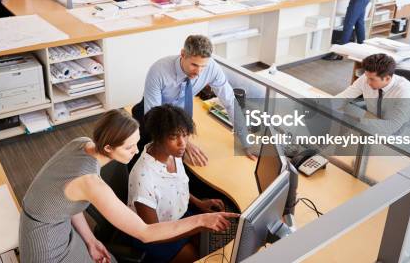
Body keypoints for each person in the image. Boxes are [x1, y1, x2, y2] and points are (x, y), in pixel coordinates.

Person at [19, 110, 236, 263]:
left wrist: (91, 240)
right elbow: (145, 233)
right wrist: (201, 219)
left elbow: (68, 203)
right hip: (44, 245)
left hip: (55, 223)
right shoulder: (91, 183)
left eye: (137, 142)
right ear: (108, 147)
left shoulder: (82, 142)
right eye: (129, 147)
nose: (135, 152)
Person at [134, 35, 255, 165]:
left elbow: (230, 102)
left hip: (179, 116)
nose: (199, 72)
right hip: (153, 116)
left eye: (203, 66)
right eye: (194, 65)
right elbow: (155, 118)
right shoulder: (159, 71)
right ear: (183, 54)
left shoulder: (211, 68)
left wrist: (245, 141)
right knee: (146, 159)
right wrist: (184, 143)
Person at [128, 105, 225, 263]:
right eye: (174, 137)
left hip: (178, 217)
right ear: (157, 137)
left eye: (185, 135)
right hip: (156, 235)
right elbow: (151, 233)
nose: (183, 143)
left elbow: (177, 187)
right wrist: (196, 226)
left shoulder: (173, 154)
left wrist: (199, 203)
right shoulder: (144, 178)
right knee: (200, 257)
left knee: (210, 244)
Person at [334, 53, 410, 135]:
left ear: (387, 78)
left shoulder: (406, 93)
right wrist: (326, 105)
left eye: (372, 79)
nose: (367, 82)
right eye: (367, 76)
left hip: (398, 135)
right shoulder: (367, 77)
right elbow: (345, 96)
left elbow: (391, 127)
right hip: (372, 121)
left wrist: (356, 121)